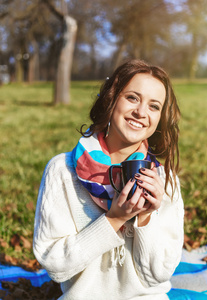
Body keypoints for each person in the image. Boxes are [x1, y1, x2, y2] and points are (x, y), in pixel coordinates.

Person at [33, 59, 184, 300]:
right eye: (133, 98)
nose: (141, 112)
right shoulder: (62, 171)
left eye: (154, 106)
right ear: (111, 99)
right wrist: (114, 219)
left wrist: (145, 217)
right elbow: (54, 265)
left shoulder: (164, 182)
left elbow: (159, 275)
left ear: (159, 120)